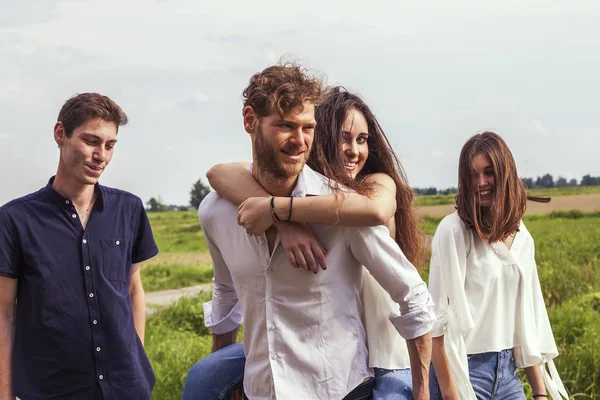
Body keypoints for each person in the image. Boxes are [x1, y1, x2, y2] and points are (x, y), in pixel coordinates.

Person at [192, 64, 434, 400]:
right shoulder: (215, 212)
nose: (299, 140)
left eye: (308, 128)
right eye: (286, 126)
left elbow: (414, 297)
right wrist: (220, 376)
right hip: (261, 390)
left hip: (339, 389)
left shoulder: (343, 209)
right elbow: (226, 294)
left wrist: (422, 392)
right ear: (250, 121)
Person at [0, 93, 159, 399]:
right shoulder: (14, 220)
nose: (101, 154)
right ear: (61, 134)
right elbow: (4, 313)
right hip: (51, 390)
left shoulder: (129, 209)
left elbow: (133, 287)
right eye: (91, 141)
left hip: (126, 389)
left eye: (109, 145)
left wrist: (134, 363)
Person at [427, 131, 568, 400]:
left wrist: (539, 392)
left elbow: (526, 318)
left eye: (489, 172)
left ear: (504, 173)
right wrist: (450, 393)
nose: (481, 182)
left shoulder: (523, 238)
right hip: (462, 372)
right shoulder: (454, 230)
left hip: (507, 374)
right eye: (473, 174)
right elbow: (436, 327)